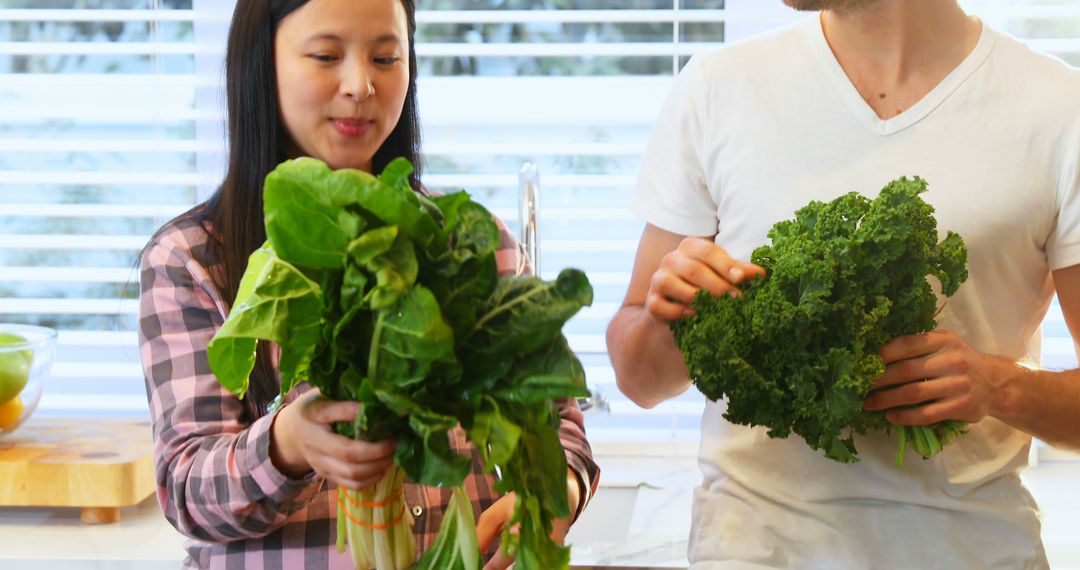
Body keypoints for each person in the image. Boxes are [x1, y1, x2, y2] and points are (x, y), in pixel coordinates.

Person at [607, 0, 1080, 567]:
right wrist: (672, 314)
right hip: (751, 552)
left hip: (970, 551)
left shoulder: (1058, 110)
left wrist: (999, 386)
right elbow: (639, 380)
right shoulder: (718, 89)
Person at [137, 1, 599, 568]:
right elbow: (186, 488)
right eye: (327, 55)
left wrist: (555, 493)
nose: (361, 84)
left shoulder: (469, 242)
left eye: (386, 57)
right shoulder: (190, 259)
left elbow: (559, 422)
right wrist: (287, 444)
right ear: (261, 65)